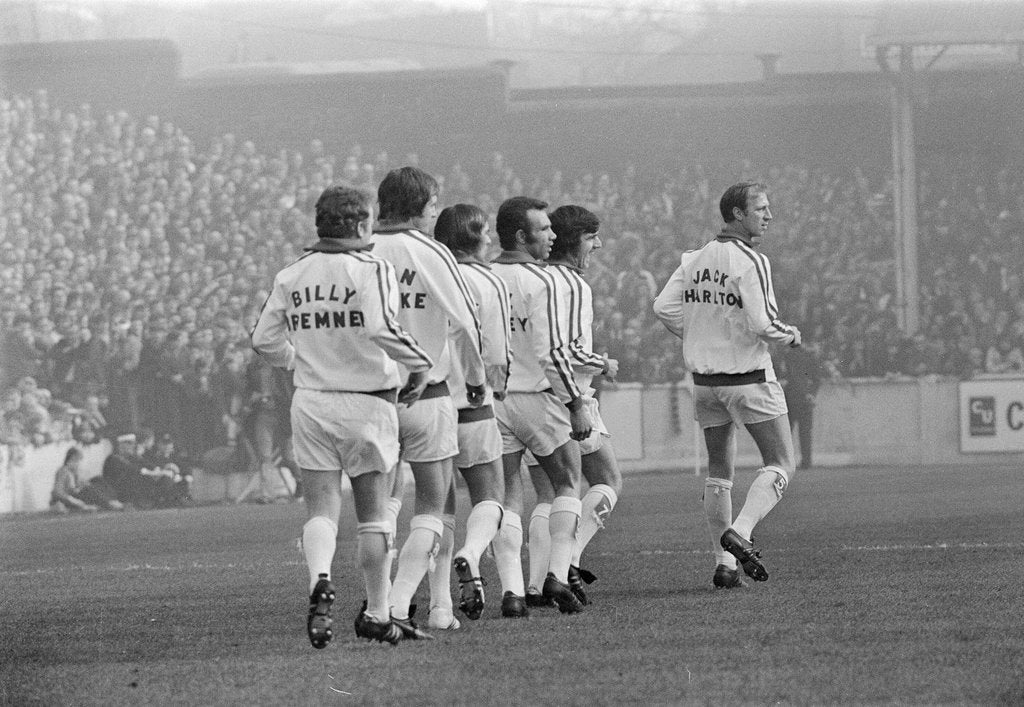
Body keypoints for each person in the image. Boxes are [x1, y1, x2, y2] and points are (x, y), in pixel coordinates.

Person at [251, 184, 433, 648]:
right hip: (366, 402)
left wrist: (300, 360)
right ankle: (376, 612)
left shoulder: (292, 273)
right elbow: (381, 328)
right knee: (373, 515)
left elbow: (263, 341)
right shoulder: (371, 268)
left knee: (321, 509)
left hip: (311, 401)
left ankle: (321, 578)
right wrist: (419, 364)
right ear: (357, 224)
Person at [653, 181, 801, 589]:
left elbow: (662, 308)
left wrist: (702, 334)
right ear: (737, 214)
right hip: (748, 379)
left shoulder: (695, 257)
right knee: (782, 461)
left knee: (720, 468)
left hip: (704, 383)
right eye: (761, 209)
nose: (769, 216)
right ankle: (742, 529)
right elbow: (764, 325)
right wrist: (792, 335)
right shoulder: (751, 260)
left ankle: (724, 565)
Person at [369, 167, 487, 635]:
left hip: (373, 397)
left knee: (378, 505)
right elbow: (465, 319)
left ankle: (379, 603)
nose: (436, 211)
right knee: (434, 502)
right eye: (434, 203)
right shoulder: (430, 251)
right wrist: (477, 378)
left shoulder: (362, 253)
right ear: (420, 205)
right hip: (428, 394)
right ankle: (399, 603)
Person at [490, 196, 593, 614]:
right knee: (567, 481)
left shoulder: (481, 276)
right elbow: (554, 353)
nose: (553, 236)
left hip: (496, 400)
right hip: (539, 395)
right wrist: (576, 404)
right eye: (544, 229)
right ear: (521, 235)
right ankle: (555, 573)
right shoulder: (544, 281)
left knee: (508, 495)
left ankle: (513, 592)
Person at [433, 204, 525, 620]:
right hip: (473, 404)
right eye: (485, 231)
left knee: (437, 508)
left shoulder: (428, 276)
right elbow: (497, 354)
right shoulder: (487, 280)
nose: (490, 238)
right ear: (473, 235)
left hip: (431, 404)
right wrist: (497, 386)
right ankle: (472, 554)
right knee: (491, 496)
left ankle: (440, 605)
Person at [538, 204, 622, 605]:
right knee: (607, 480)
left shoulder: (536, 276)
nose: (599, 244)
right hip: (567, 396)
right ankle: (566, 561)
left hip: (526, 397)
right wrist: (602, 363)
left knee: (547, 494)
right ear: (575, 241)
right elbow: (565, 350)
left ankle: (533, 584)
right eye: (592, 237)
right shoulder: (571, 283)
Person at [777, 341, 825, 470]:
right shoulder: (809, 357)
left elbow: (787, 376)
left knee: (787, 432)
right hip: (804, 399)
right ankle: (806, 462)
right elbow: (816, 380)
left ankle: (785, 462)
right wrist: (811, 393)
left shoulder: (788, 356)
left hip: (791, 398)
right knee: (805, 433)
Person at [51, 447, 124, 512]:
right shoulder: (63, 471)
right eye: (77, 461)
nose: (78, 464)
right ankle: (109, 503)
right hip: (69, 499)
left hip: (76, 496)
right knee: (88, 489)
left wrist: (84, 484)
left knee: (98, 479)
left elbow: (78, 486)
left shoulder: (74, 472)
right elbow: (58, 492)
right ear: (70, 460)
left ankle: (112, 499)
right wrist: (76, 501)